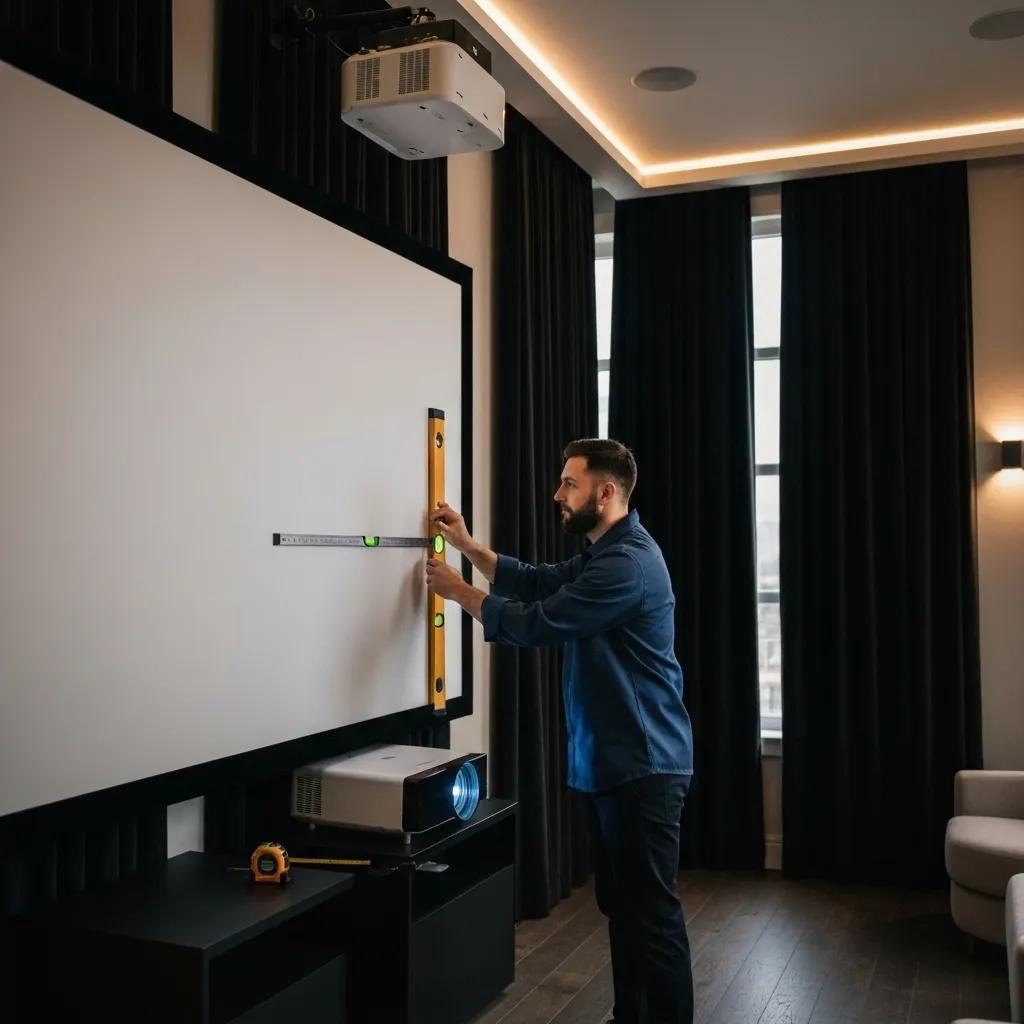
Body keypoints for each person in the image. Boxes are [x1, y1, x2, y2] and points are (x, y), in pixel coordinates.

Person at [425, 437, 694, 1024]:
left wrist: (459, 592)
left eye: (569, 484)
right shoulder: (607, 551)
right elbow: (541, 581)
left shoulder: (628, 564)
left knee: (652, 917)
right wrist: (468, 547)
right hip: (614, 765)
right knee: (625, 912)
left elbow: (541, 621)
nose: (557, 494)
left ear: (605, 491)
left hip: (645, 767)